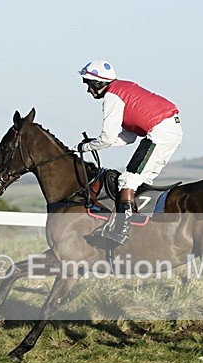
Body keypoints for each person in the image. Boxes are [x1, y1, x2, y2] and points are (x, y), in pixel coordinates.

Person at [77, 59, 183, 245]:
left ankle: (121, 232)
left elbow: (108, 138)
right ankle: (138, 224)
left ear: (98, 82)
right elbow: (128, 137)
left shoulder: (112, 96)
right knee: (138, 181)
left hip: (160, 132)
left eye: (88, 84)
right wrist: (96, 143)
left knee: (127, 179)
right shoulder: (122, 88)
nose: (88, 90)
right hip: (167, 130)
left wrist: (86, 147)